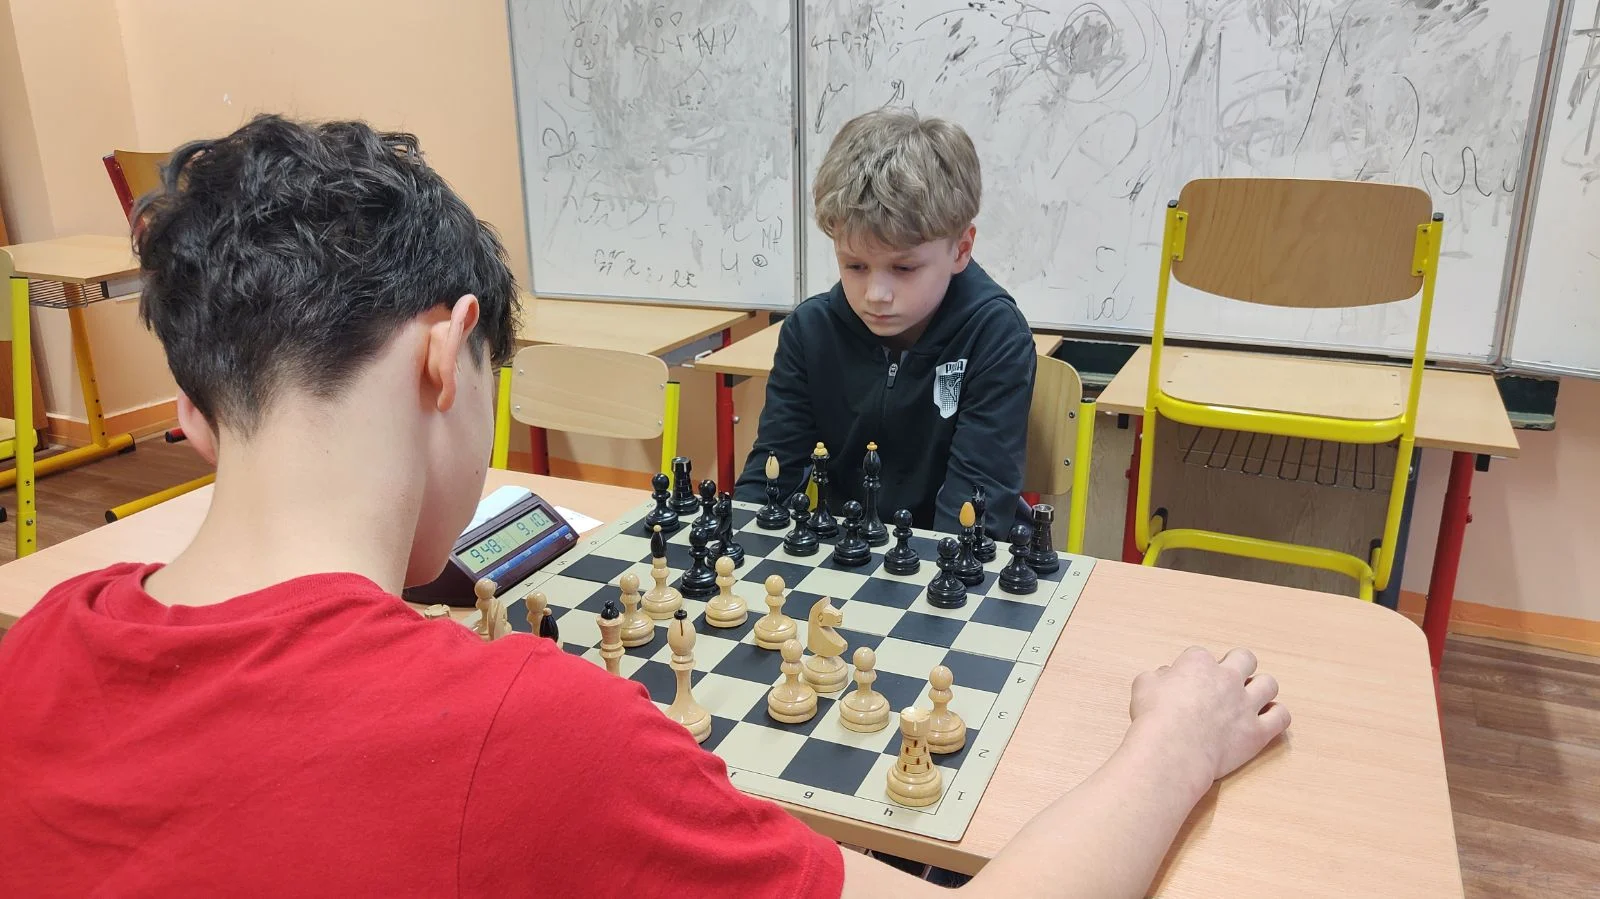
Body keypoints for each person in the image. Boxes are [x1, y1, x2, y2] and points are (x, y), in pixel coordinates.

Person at [0, 115, 1290, 898]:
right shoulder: (533, 732)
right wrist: (1175, 741)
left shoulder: (34, 645)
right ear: (447, 357)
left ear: (191, 407)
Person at [733, 108, 1035, 537]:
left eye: (904, 268)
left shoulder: (994, 336)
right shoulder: (810, 331)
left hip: (949, 556)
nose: (876, 294)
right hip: (848, 552)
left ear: (961, 249)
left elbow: (972, 508)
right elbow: (770, 480)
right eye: (854, 265)